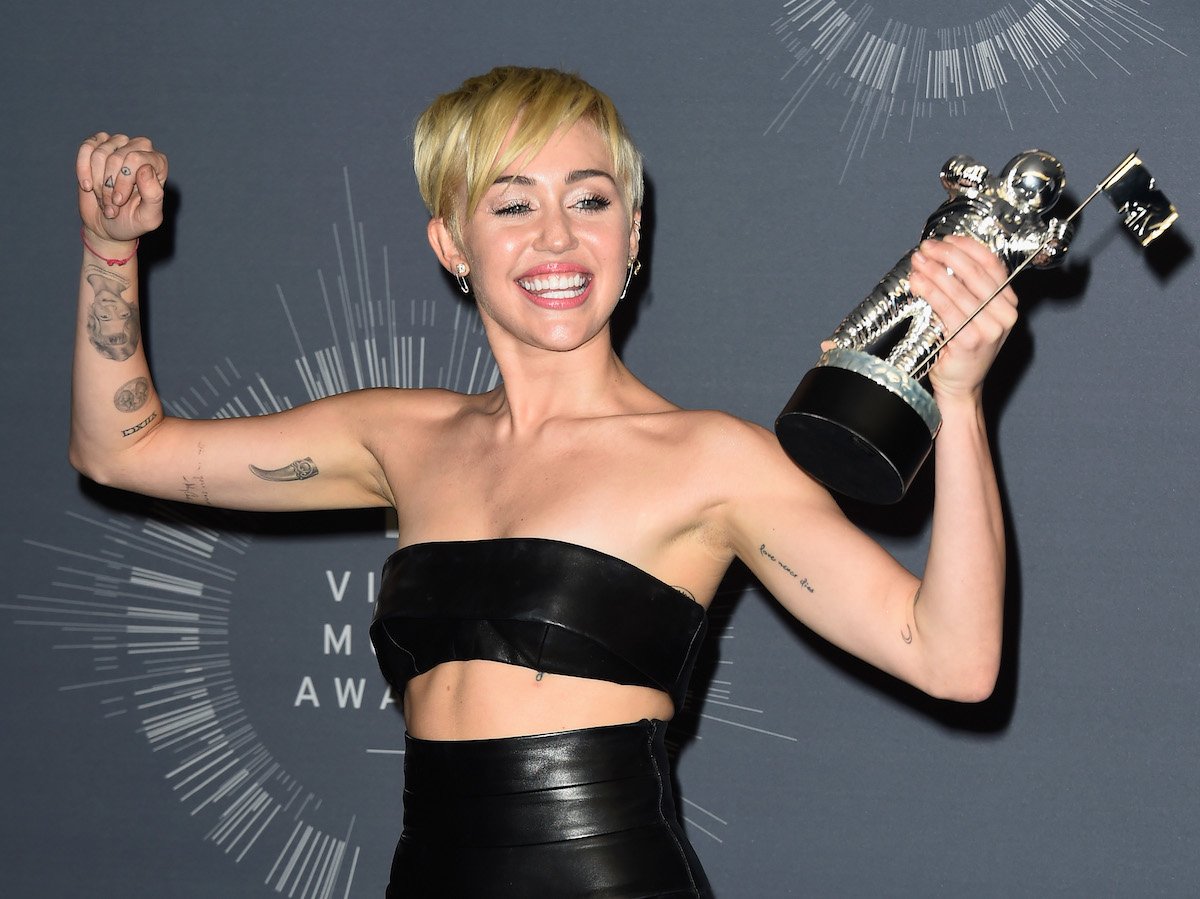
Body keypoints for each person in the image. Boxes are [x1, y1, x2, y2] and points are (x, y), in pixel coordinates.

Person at [70, 66, 1016, 898]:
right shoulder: (399, 436)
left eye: (591, 200)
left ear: (633, 234)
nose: (558, 240)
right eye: (512, 204)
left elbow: (952, 658)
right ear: (452, 245)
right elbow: (123, 449)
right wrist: (111, 250)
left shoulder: (711, 459)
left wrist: (962, 403)